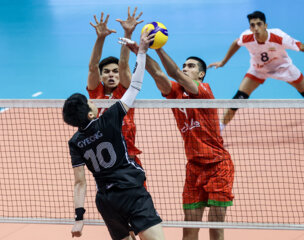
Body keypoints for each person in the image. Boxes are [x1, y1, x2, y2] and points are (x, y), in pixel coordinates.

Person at [123, 35, 234, 240]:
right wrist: (140, 51)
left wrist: (157, 47)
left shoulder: (204, 92)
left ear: (201, 74)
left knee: (216, 227)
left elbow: (173, 72)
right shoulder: (175, 93)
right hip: (193, 167)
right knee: (189, 230)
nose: (185, 68)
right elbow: (157, 73)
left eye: (190, 66)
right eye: (184, 65)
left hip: (218, 166)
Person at [63, 31, 165, 240]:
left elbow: (80, 182)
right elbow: (136, 84)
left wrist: (79, 218)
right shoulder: (109, 119)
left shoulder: (75, 142)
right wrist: (142, 52)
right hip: (129, 185)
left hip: (106, 198)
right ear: (90, 111)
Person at [208, 11, 304, 131]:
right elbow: (235, 43)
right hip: (258, 70)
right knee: (238, 99)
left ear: (265, 25)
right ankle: (219, 129)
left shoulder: (279, 36)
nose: (256, 28)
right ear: (250, 27)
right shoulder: (246, 37)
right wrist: (223, 62)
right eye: (252, 25)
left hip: (283, 68)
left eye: (259, 24)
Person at [87, 8, 145, 183]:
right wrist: (100, 38)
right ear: (101, 76)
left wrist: (127, 33)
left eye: (115, 71)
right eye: (106, 72)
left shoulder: (125, 92)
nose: (111, 74)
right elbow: (93, 66)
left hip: (129, 158)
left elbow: (125, 64)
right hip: (105, 160)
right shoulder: (95, 93)